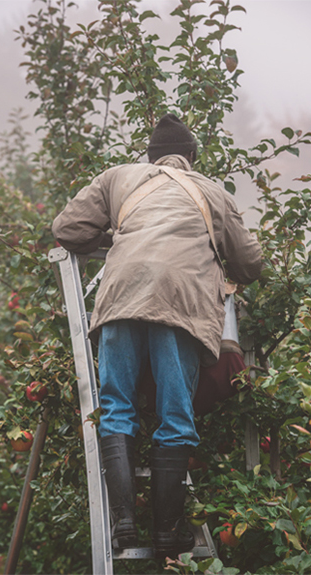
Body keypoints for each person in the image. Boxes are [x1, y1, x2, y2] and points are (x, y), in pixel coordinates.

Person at [52, 114, 263, 559]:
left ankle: (123, 523)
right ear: (191, 157)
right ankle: (167, 531)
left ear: (147, 156)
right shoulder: (212, 191)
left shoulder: (117, 178)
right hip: (178, 304)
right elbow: (249, 264)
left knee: (116, 405)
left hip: (121, 298)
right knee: (175, 412)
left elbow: (66, 230)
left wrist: (119, 234)